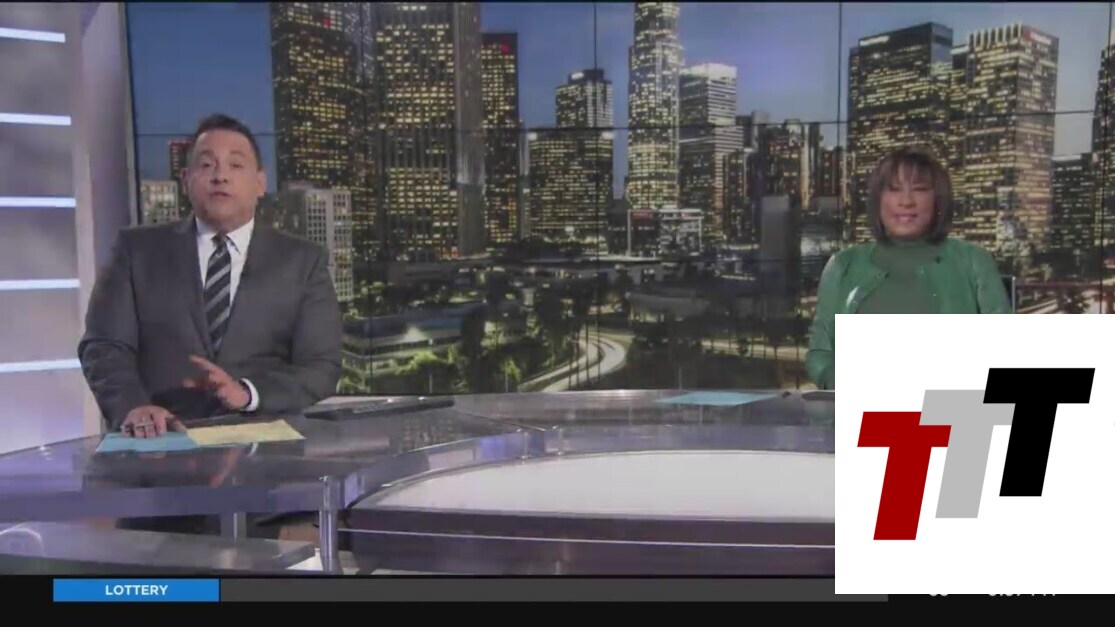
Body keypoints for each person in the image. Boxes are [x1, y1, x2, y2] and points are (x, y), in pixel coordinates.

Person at [79, 113, 343, 436]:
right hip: (160, 442)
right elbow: (104, 346)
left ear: (260, 183)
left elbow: (321, 366)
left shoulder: (303, 261)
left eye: (235, 165)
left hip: (265, 447)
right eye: (206, 165)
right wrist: (132, 406)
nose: (220, 176)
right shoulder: (136, 251)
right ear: (185, 179)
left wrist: (248, 393)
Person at [805, 146, 1011, 391]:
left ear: (937, 200)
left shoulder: (973, 261)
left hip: (951, 408)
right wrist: (847, 384)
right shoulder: (843, 265)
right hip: (867, 408)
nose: (906, 201)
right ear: (878, 200)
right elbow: (820, 355)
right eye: (893, 189)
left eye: (920, 190)